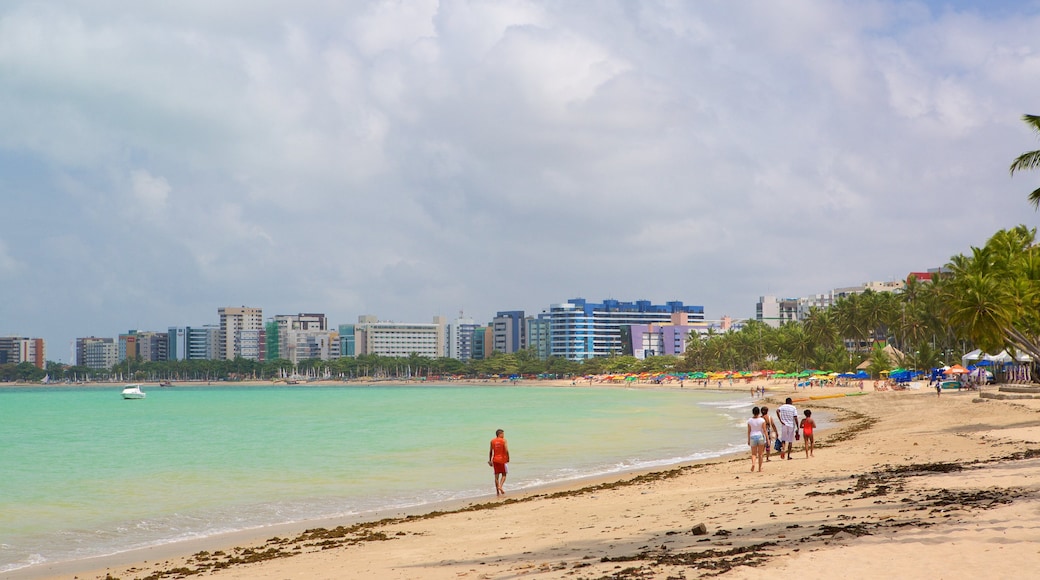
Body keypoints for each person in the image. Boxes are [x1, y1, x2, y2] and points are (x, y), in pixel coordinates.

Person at [488, 429, 510, 496]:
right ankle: (500, 486)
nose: (503, 435)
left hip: (495, 460)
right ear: (500, 434)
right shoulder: (504, 440)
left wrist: (490, 460)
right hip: (502, 460)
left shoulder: (492, 441)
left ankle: (497, 492)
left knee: (496, 476)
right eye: (503, 434)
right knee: (504, 474)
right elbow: (506, 450)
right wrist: (508, 458)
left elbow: (491, 451)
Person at [747, 406, 766, 472]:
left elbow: (749, 431)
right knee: (760, 454)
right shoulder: (762, 420)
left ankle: (753, 464)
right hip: (760, 436)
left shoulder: (750, 420)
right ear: (759, 412)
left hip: (752, 436)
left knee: (753, 454)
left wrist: (748, 440)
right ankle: (760, 468)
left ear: (753, 412)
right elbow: (764, 430)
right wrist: (767, 439)